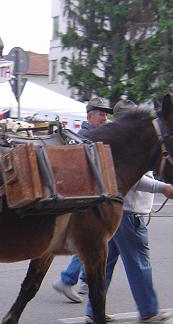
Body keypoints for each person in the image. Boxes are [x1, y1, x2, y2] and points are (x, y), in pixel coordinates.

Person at [85, 172, 173, 324]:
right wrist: (163, 187)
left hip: (115, 211)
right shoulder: (135, 149)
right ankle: (148, 311)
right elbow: (135, 177)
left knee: (105, 265)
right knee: (139, 264)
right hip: (129, 214)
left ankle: (94, 310)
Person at [52, 96, 113, 302]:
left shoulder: (90, 134)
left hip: (91, 196)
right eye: (102, 114)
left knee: (96, 242)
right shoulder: (87, 136)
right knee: (93, 242)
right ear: (90, 116)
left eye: (105, 115)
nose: (105, 119)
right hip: (88, 198)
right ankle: (70, 279)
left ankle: (82, 279)